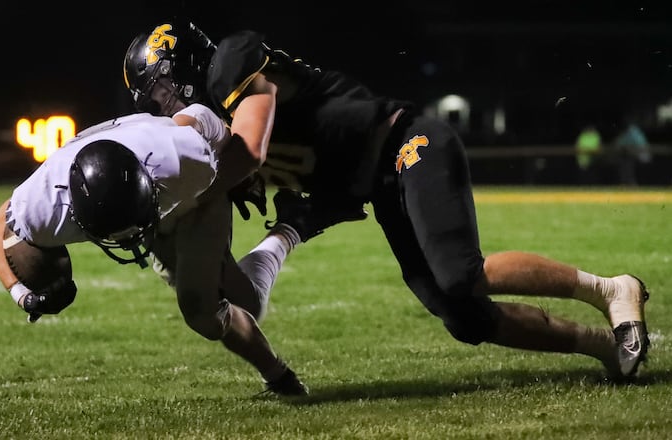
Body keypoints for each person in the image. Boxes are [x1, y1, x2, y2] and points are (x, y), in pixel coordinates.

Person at [121, 19, 651, 380]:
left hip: (406, 141)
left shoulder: (230, 65)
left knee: (460, 274)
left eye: (162, 91)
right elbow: (242, 275)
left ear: (181, 68)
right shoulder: (211, 135)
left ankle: (611, 289)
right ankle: (601, 347)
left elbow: (252, 150)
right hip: (376, 183)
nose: (163, 107)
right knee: (463, 317)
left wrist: (184, 198)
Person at [0, 103, 309, 396]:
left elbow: (202, 118)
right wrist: (22, 295)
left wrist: (235, 173)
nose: (125, 239)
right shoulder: (41, 207)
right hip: (147, 199)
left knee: (212, 305)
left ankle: (290, 229)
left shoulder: (182, 159)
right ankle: (279, 373)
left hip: (188, 195)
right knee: (222, 311)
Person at [612, 119, 652, 186]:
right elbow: (619, 143)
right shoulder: (630, 133)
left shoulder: (633, 133)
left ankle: (630, 182)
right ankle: (627, 181)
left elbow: (638, 146)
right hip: (635, 156)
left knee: (627, 161)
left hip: (642, 156)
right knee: (625, 160)